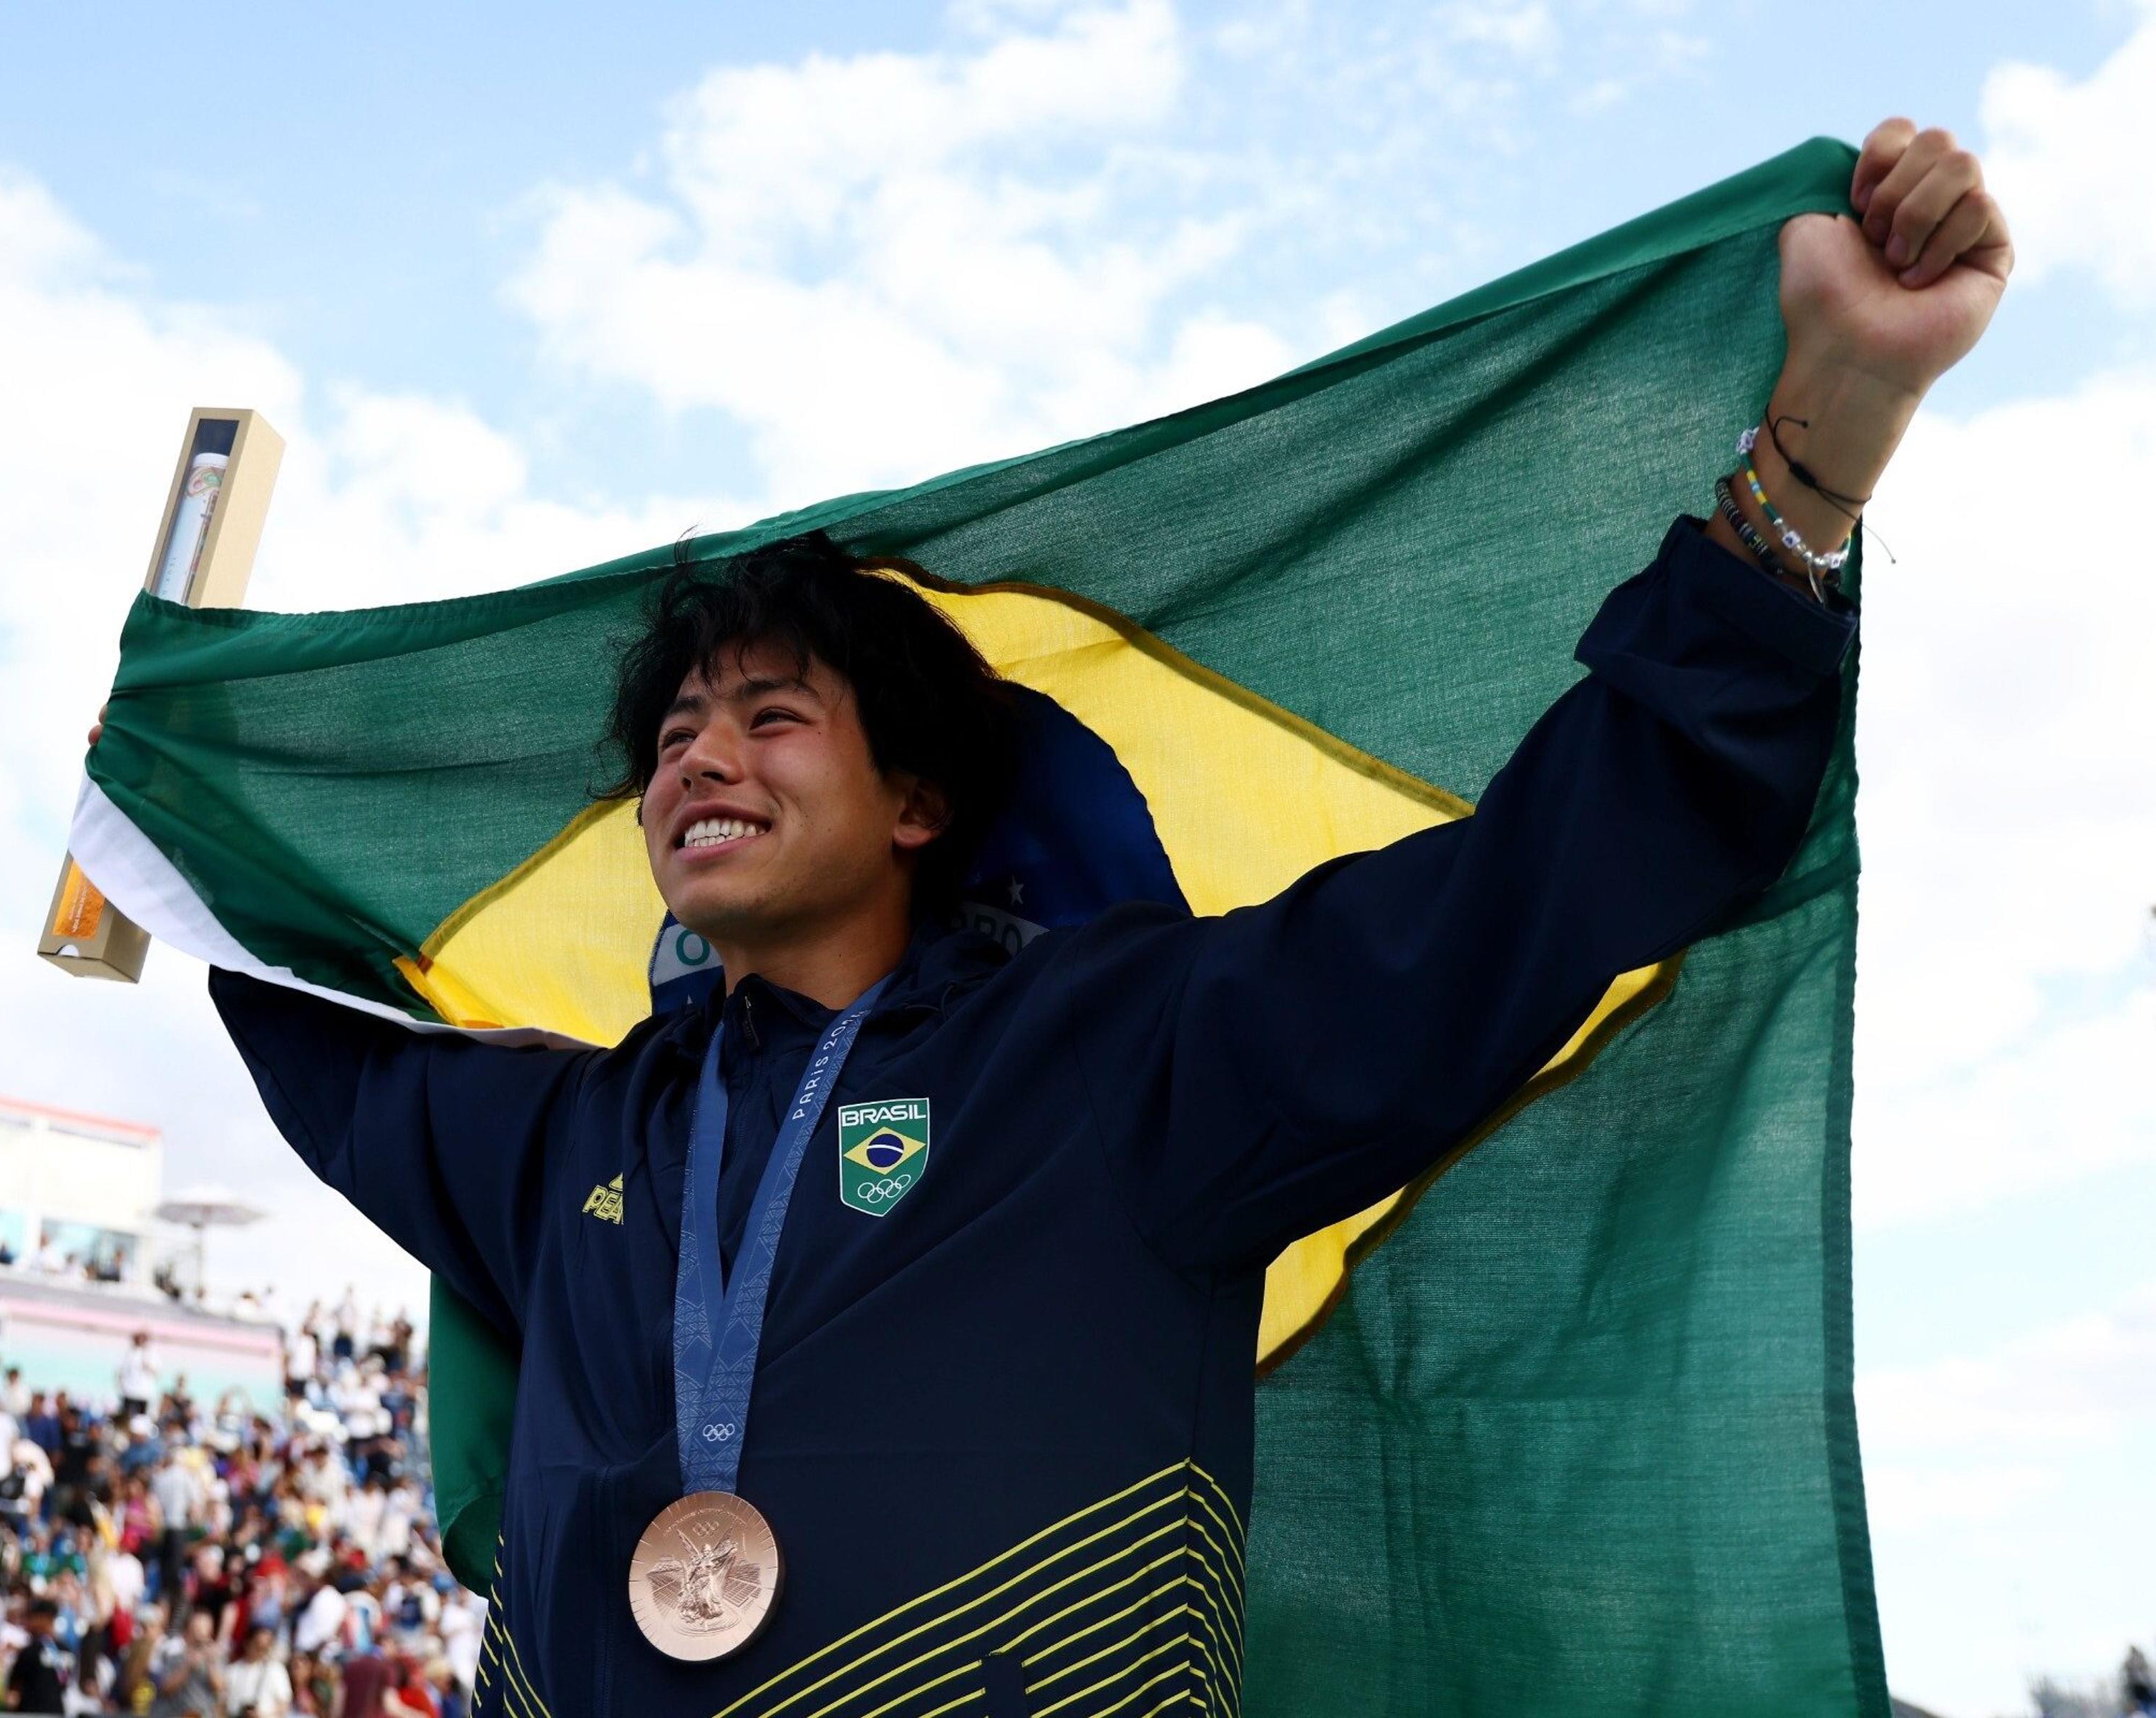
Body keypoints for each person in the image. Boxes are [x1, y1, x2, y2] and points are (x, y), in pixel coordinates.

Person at [180, 120, 2012, 1705]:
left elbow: (1525, 895)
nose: (693, 760)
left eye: (764, 715)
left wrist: (1808, 468)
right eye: (669, 732)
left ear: (916, 801)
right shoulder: (573, 1132)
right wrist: (147, 822)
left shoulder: (1134, 1062)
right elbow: (300, 1013)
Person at [4, 1596, 70, 1716]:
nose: (28, 1622)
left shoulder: (30, 1651)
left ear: (46, 1619)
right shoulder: (66, 1650)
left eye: (32, 1617)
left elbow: (14, 1688)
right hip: (56, 1711)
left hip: (31, 1713)